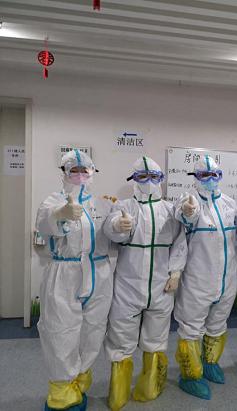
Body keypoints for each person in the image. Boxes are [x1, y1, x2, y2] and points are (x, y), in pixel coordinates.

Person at [103, 156, 187, 411]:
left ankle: (150, 385)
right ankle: (119, 391)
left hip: (161, 287)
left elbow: (179, 243)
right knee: (121, 339)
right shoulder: (124, 206)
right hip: (128, 287)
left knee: (156, 338)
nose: (149, 181)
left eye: (154, 177)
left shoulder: (170, 210)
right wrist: (118, 226)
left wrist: (175, 273)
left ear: (161, 179)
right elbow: (109, 231)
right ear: (133, 179)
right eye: (142, 177)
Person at [36, 149, 115, 411]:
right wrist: (61, 213)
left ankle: (80, 381)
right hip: (64, 274)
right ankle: (61, 393)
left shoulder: (102, 204)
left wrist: (119, 224)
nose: (80, 175)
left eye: (85, 170)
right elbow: (44, 224)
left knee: (93, 329)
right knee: (61, 331)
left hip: (98, 273)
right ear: (64, 172)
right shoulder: (52, 201)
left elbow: (113, 234)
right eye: (74, 170)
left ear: (92, 172)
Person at [173, 155, 237, 400]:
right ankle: (191, 375)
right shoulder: (188, 200)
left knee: (217, 324)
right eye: (204, 175)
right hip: (198, 279)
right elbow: (183, 217)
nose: (210, 179)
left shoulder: (229, 203)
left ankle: (211, 363)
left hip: (227, 278)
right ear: (195, 177)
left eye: (215, 174)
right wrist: (187, 212)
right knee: (192, 327)